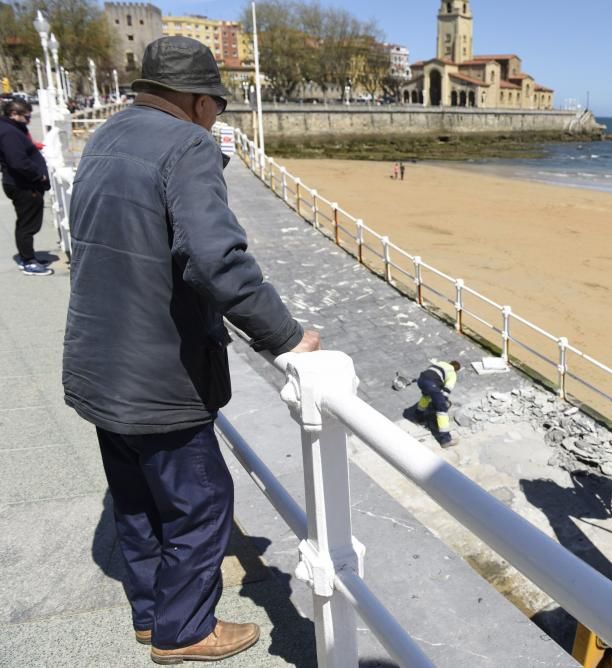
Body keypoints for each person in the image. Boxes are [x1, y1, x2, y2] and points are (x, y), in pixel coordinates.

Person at [62, 36, 321, 664]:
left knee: (136, 498)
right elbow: (216, 260)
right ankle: (184, 631)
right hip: (158, 371)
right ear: (202, 102)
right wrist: (287, 337)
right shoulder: (189, 144)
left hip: (97, 359)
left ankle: (153, 616)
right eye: (218, 109)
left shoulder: (107, 135)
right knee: (201, 499)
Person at [0, 98, 52, 275]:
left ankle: (27, 256)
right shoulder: (9, 133)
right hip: (23, 185)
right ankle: (29, 261)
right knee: (27, 225)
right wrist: (39, 176)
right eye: (27, 117)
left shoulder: (11, 129)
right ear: (14, 114)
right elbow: (18, 162)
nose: (29, 120)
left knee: (26, 223)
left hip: (22, 183)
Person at [412, 359, 461, 446]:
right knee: (442, 410)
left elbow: (434, 376)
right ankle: (445, 440)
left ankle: (418, 418)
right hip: (431, 384)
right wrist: (442, 403)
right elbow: (446, 391)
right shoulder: (452, 373)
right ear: (456, 370)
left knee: (426, 397)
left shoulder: (441, 363)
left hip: (421, 380)